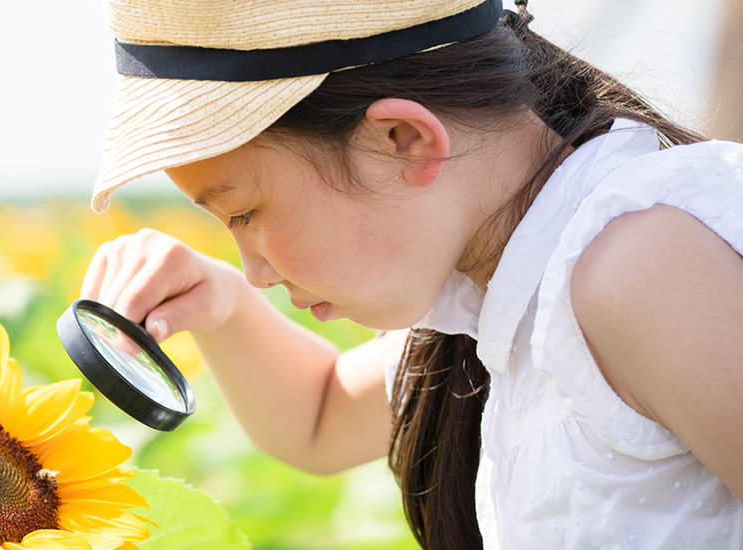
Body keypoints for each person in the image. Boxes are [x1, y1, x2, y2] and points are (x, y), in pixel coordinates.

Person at [78, 0, 743, 548]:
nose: (253, 270)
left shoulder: (638, 267)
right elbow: (321, 417)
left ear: (404, 138)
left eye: (246, 211)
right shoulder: (491, 282)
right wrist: (218, 300)